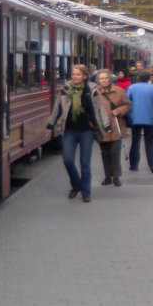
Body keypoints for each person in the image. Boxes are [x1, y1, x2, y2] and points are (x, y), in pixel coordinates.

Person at [47, 64, 109, 203]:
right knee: (68, 160)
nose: (75, 77)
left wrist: (106, 124)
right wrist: (51, 122)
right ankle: (77, 185)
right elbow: (58, 106)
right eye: (73, 74)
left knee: (85, 163)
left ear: (85, 76)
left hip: (87, 130)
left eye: (78, 74)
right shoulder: (66, 88)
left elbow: (99, 108)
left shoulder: (91, 89)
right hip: (69, 129)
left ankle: (86, 192)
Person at [92, 68, 131, 187]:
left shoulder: (119, 91)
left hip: (116, 126)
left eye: (106, 78)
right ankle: (107, 176)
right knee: (105, 153)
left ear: (110, 79)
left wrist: (119, 110)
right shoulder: (94, 92)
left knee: (115, 152)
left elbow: (127, 105)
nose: (104, 80)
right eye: (101, 78)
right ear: (98, 80)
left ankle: (116, 177)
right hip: (102, 127)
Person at [126, 70, 153, 173]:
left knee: (135, 142)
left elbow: (127, 102)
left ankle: (133, 165)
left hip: (135, 118)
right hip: (150, 118)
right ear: (149, 78)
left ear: (138, 78)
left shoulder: (131, 88)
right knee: (150, 143)